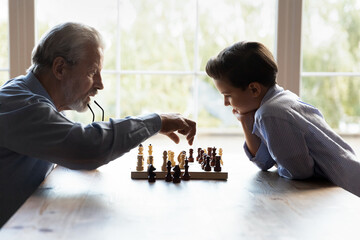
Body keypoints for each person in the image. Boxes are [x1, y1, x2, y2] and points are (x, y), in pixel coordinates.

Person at [0, 22, 196, 226]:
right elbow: (86, 147)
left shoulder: (31, 98)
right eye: (92, 72)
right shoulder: (22, 105)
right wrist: (157, 121)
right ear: (60, 68)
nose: (100, 84)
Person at [205, 41, 360, 197]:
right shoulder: (280, 100)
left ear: (254, 89)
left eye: (228, 96)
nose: (226, 103)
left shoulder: (270, 113)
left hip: (348, 192)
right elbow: (264, 162)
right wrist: (246, 122)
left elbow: (299, 172)